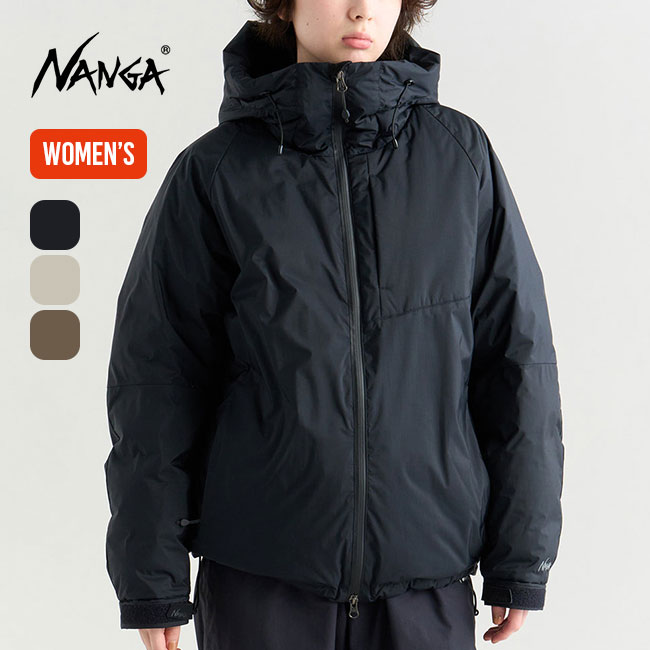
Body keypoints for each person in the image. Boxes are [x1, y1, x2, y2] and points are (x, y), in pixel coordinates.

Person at [103, 1, 565, 649]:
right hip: (261, 580)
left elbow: (516, 364)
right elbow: (157, 381)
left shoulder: (461, 158)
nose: (362, 10)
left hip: (425, 579)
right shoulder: (216, 170)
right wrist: (151, 579)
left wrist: (522, 559)